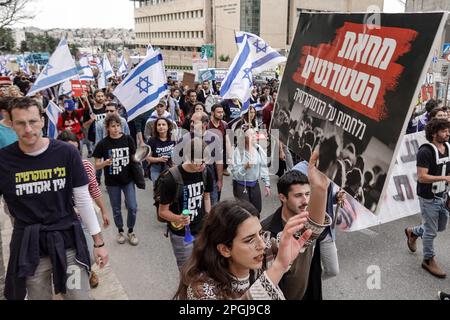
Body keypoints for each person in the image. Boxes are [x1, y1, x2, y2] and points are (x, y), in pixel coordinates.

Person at [174, 150, 329, 300]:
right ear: (225, 249)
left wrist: (320, 189)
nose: (261, 244)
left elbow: (309, 231)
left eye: (260, 234)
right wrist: (278, 267)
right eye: (249, 240)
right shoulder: (202, 290)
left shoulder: (264, 252)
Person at [0, 97, 108, 300]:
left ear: (42, 120)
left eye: (33, 121)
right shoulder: (4, 160)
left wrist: (98, 242)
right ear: (11, 123)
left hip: (68, 244)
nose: (28, 129)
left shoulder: (66, 153)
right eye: (21, 123)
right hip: (30, 249)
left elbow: (83, 199)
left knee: (79, 297)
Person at [262, 161, 331, 300]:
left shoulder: (305, 222)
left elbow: (315, 225)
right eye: (298, 195)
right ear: (283, 197)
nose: (305, 201)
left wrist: (321, 188)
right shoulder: (267, 231)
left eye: (308, 194)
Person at [57, 130, 110, 289]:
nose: (70, 154)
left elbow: (94, 189)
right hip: (61, 220)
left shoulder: (85, 165)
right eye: (66, 149)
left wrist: (104, 211)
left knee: (90, 254)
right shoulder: (52, 169)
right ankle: (78, 276)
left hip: (84, 217)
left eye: (74, 149)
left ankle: (88, 269)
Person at [158, 137, 213, 270]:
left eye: (205, 161)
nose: (202, 165)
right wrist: (179, 218)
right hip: (181, 234)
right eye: (199, 162)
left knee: (203, 268)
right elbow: (162, 212)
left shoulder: (205, 172)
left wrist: (210, 220)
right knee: (187, 271)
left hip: (201, 230)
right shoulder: (171, 178)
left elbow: (206, 198)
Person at [405, 118, 450, 278]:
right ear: (433, 132)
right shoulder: (425, 151)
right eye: (444, 131)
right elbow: (421, 177)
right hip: (428, 197)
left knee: (439, 226)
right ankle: (428, 260)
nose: (448, 133)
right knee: (431, 232)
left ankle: (413, 232)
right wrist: (444, 179)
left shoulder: (448, 147)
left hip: (443, 195)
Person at [93, 113, 139, 246]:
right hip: (112, 183)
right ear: (107, 127)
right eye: (113, 126)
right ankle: (120, 230)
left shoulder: (128, 139)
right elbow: (96, 164)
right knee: (116, 209)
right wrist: (104, 163)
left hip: (128, 180)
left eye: (118, 125)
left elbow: (133, 157)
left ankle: (130, 231)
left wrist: (140, 158)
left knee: (132, 207)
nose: (116, 128)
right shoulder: (103, 144)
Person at [230, 127, 271, 214]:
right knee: (245, 212)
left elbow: (263, 166)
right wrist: (245, 167)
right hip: (241, 184)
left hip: (254, 183)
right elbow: (236, 174)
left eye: (254, 134)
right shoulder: (238, 151)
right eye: (250, 135)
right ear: (244, 138)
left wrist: (267, 184)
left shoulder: (258, 148)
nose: (254, 137)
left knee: (257, 210)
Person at [146, 117, 176, 183]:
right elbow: (147, 158)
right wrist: (159, 159)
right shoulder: (152, 140)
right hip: (155, 167)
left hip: (169, 166)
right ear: (156, 127)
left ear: (168, 127)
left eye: (163, 124)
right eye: (159, 125)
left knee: (168, 188)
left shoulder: (173, 138)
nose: (161, 126)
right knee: (158, 187)